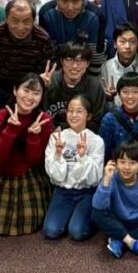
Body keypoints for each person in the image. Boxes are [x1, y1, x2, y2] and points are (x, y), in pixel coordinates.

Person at [0, 73, 55, 235]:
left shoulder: (44, 119)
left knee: (32, 221)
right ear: (15, 90)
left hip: (30, 173)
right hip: (4, 174)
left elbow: (37, 160)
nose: (30, 97)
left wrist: (33, 137)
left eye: (36, 93)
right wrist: (11, 130)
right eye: (26, 90)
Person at [43, 94, 106, 242]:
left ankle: (92, 218)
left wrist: (83, 156)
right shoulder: (57, 137)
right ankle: (71, 216)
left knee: (77, 232)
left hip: (86, 192)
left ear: (88, 116)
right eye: (70, 110)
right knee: (51, 231)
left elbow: (95, 178)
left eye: (79, 111)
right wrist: (58, 154)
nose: (73, 115)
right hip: (62, 192)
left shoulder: (96, 141)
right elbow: (54, 175)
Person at [0, 0, 55, 110]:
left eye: (26, 22)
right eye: (14, 21)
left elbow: (45, 71)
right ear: (6, 19)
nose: (20, 27)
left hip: (29, 87)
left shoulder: (43, 39)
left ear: (34, 21)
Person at [38, 0, 106, 79]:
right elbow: (46, 53)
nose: (70, 7)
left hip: (85, 71)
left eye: (75, 1)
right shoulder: (46, 13)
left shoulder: (95, 16)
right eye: (64, 1)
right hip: (55, 71)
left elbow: (96, 55)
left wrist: (91, 83)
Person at [98, 73, 138, 181]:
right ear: (119, 94)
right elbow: (104, 153)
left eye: (135, 92)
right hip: (118, 171)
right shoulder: (109, 119)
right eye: (125, 92)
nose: (130, 96)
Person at [41, 42, 107, 131]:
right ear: (62, 61)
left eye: (80, 60)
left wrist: (64, 129)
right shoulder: (49, 81)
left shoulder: (95, 87)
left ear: (87, 63)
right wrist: (42, 87)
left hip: (82, 135)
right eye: (69, 60)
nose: (75, 66)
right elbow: (39, 115)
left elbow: (96, 122)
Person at [101, 23, 138, 108]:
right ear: (115, 44)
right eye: (122, 41)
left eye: (132, 41)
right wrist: (110, 99)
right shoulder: (105, 67)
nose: (127, 46)